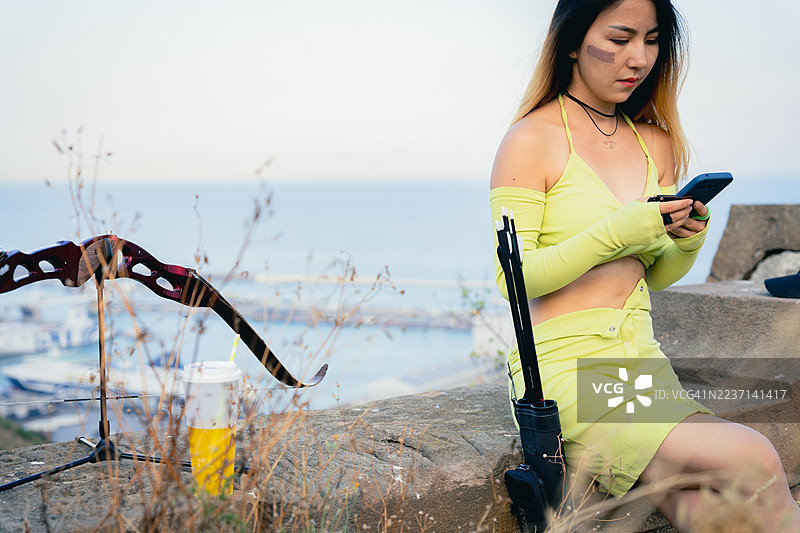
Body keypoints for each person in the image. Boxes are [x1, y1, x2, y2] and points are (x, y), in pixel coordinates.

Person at [489, 0, 800, 530]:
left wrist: (684, 240)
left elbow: (653, 275)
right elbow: (513, 278)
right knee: (754, 458)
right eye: (619, 39)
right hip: (568, 366)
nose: (638, 58)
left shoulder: (654, 141)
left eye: (652, 41)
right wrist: (621, 231)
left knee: (709, 512)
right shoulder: (530, 139)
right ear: (570, 42)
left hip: (641, 362)